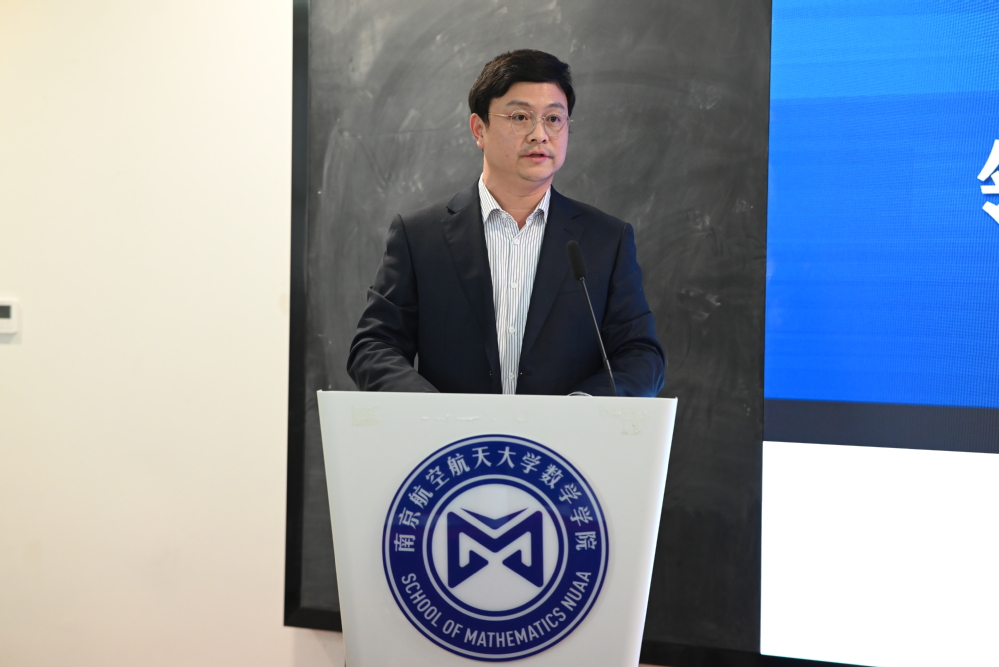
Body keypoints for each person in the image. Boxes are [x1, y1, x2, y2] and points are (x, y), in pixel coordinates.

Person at [347, 49, 665, 396]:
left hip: (563, 432)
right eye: (520, 117)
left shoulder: (606, 240)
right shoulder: (420, 237)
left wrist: (583, 409)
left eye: (554, 118)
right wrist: (432, 412)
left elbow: (641, 355)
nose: (539, 134)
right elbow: (374, 346)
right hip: (452, 431)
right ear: (479, 129)